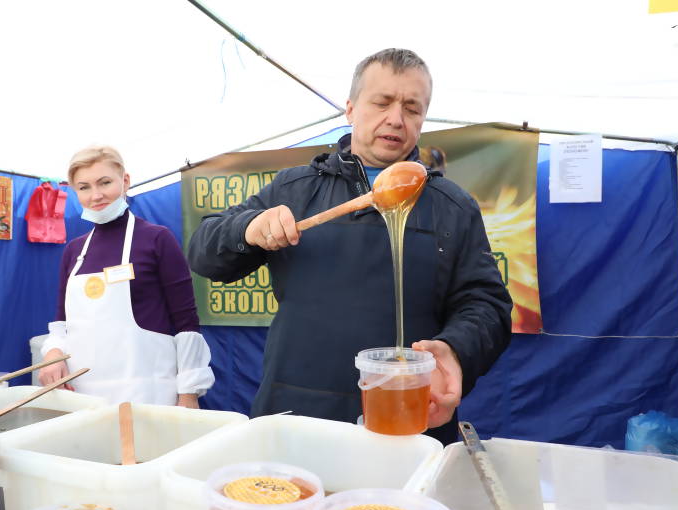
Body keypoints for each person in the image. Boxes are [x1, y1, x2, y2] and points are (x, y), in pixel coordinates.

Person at [187, 49, 511, 443]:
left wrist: (455, 350)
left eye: (412, 108)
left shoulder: (451, 206)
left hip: (408, 416)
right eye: (382, 102)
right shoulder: (295, 189)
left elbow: (487, 305)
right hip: (296, 414)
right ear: (351, 109)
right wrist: (248, 228)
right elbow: (204, 253)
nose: (396, 118)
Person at [39, 145, 214, 407]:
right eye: (84, 187)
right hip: (83, 397)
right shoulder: (74, 251)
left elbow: (186, 322)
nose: (96, 195)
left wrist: (189, 392)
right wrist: (53, 353)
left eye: (105, 182)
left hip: (148, 393)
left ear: (125, 181)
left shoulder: (157, 239)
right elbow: (61, 323)